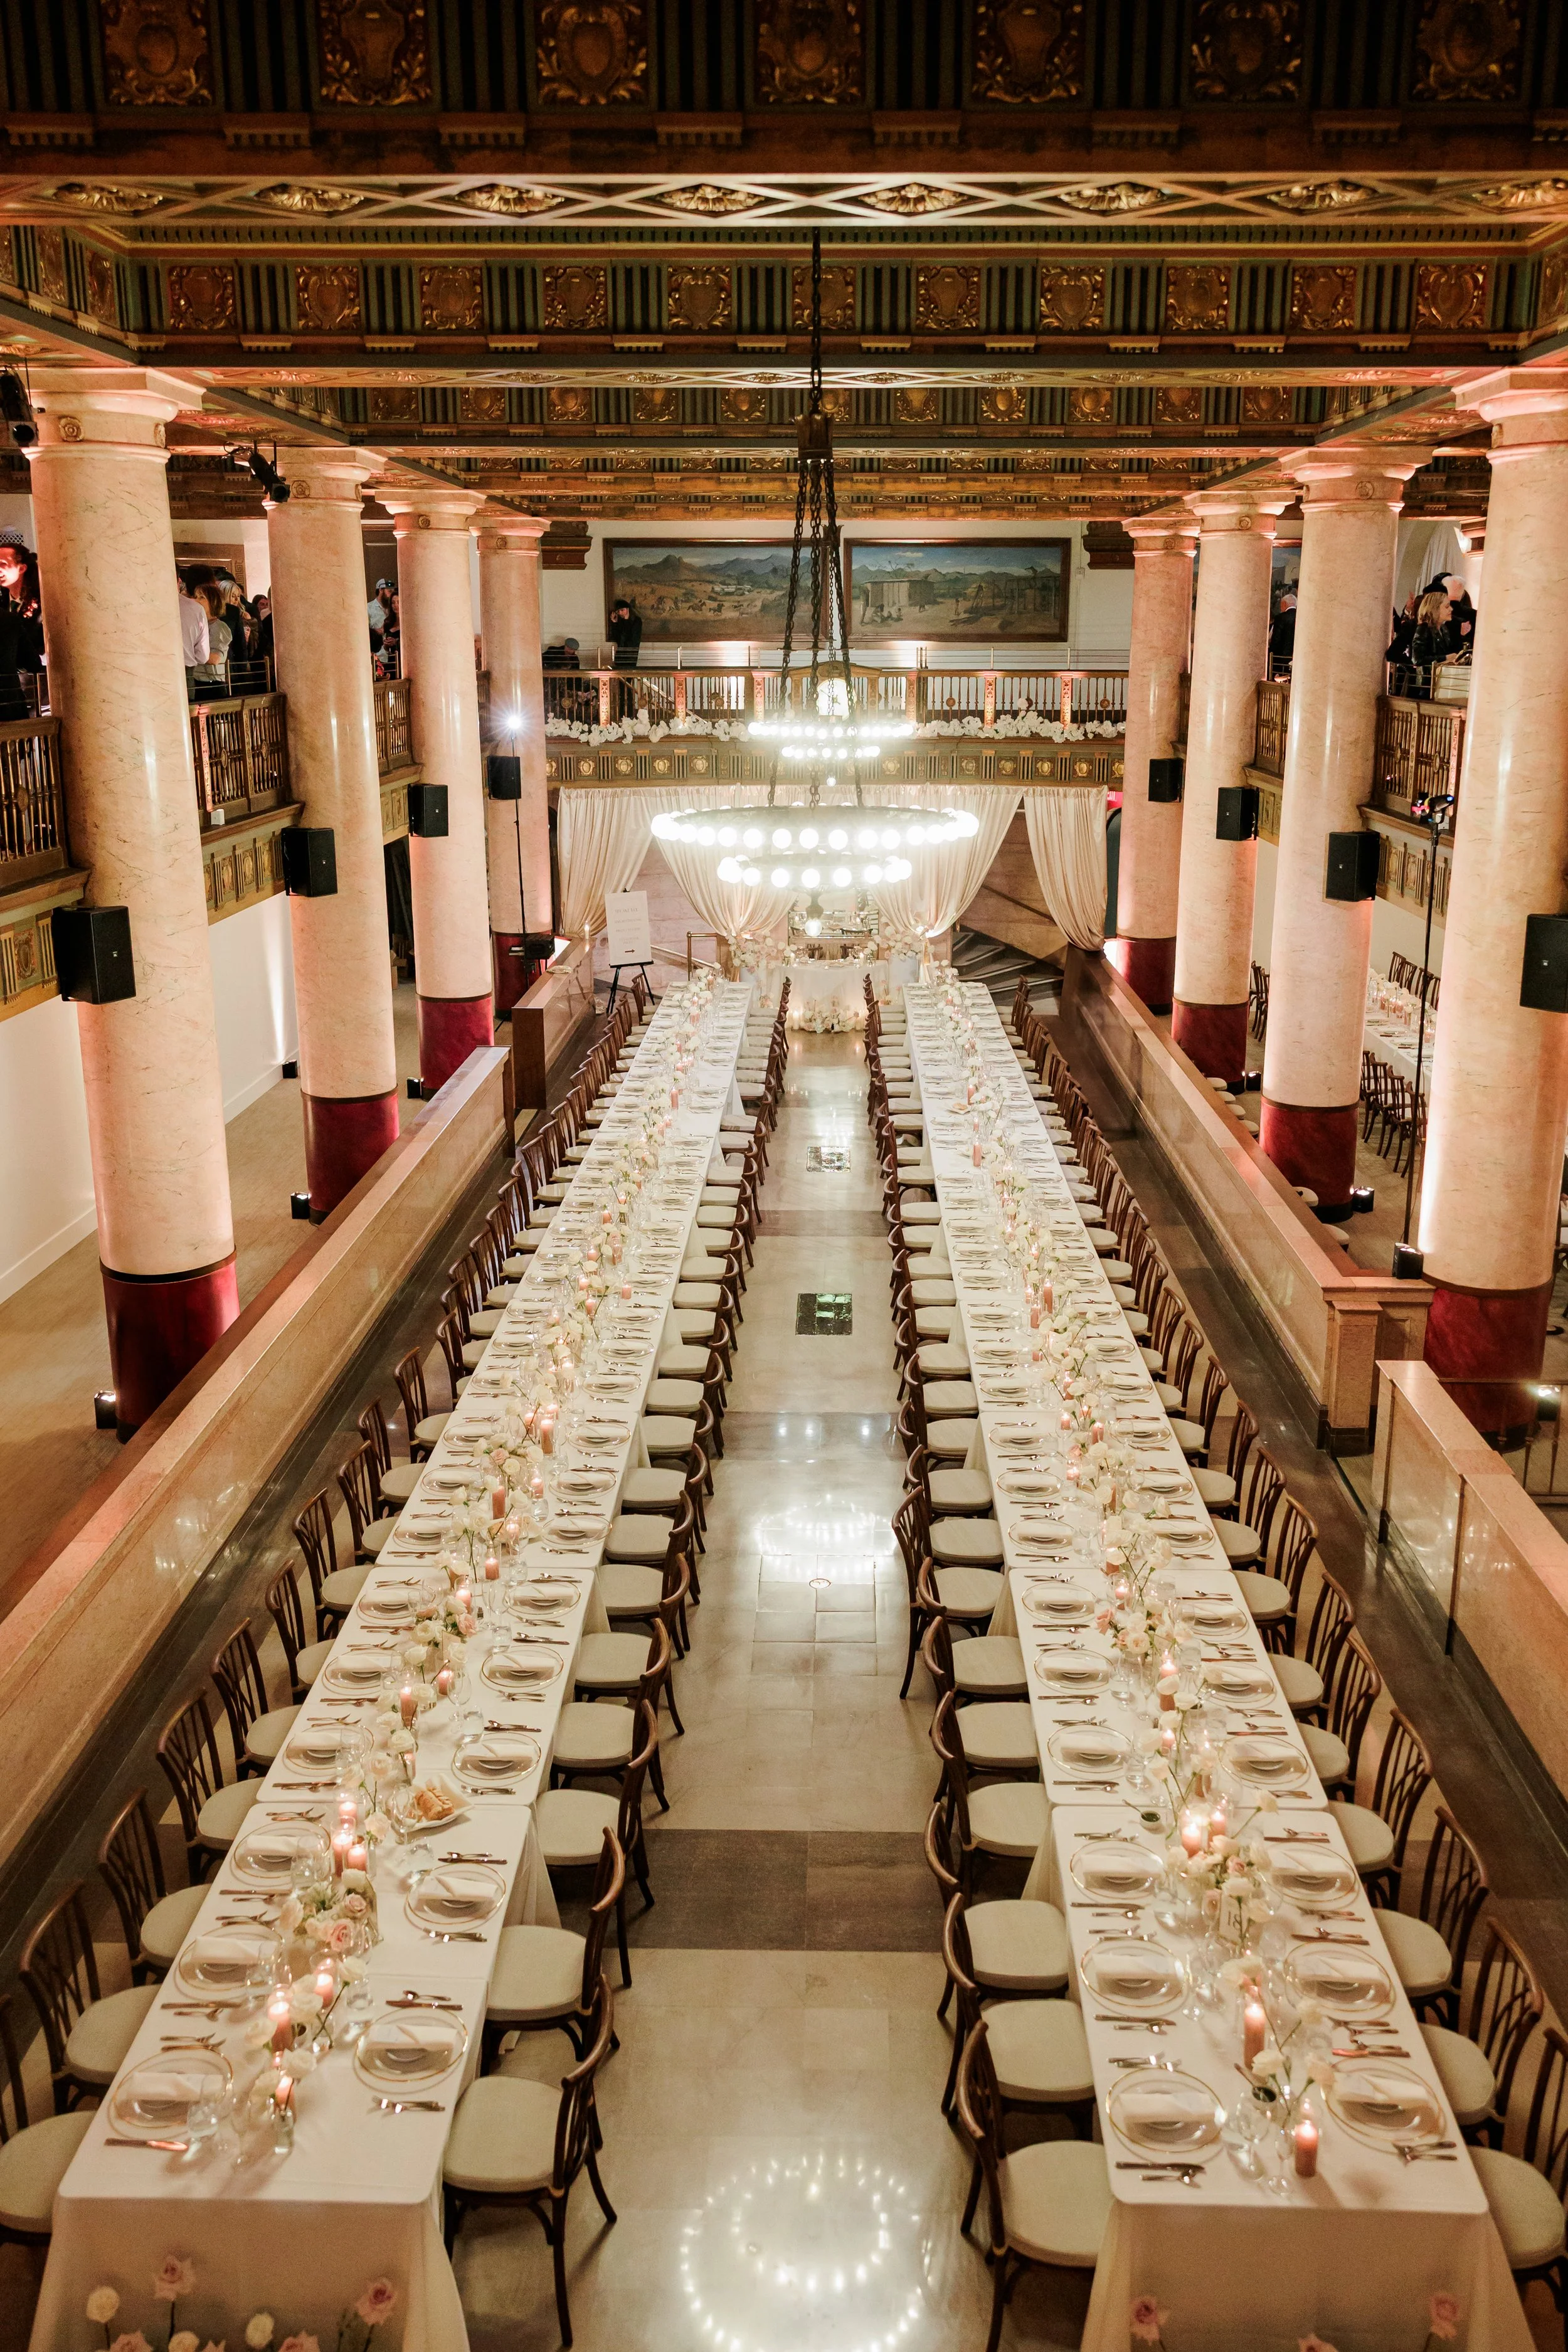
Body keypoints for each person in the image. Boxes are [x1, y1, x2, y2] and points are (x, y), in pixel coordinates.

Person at [0, 540, 44, 717]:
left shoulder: (41, 602)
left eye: (3, 564)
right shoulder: (3, 603)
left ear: (22, 568)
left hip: (37, 687)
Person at [1409, 588, 1451, 689]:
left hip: (1441, 683)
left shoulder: (1443, 628)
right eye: (1447, 606)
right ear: (1435, 608)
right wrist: (1445, 658)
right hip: (1426, 686)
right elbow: (1417, 659)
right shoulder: (1423, 628)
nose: (1451, 609)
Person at [177, 569, 209, 699]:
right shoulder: (196, 609)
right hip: (185, 674)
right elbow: (203, 656)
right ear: (179, 582)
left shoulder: (141, 605)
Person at [607, 598, 642, 670]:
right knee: (620, 677)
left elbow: (631, 637)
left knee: (628, 677)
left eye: (622, 610)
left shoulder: (636, 621)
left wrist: (626, 621)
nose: (620, 613)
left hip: (630, 656)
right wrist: (614, 623)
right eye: (619, 611)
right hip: (620, 655)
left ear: (628, 610)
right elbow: (617, 638)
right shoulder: (621, 621)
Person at [1268, 590, 1296, 671]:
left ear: (1284, 604)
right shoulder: (1302, 617)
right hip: (1297, 659)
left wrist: (1271, 656)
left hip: (1281, 659)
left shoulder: (1281, 618)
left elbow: (1276, 639)